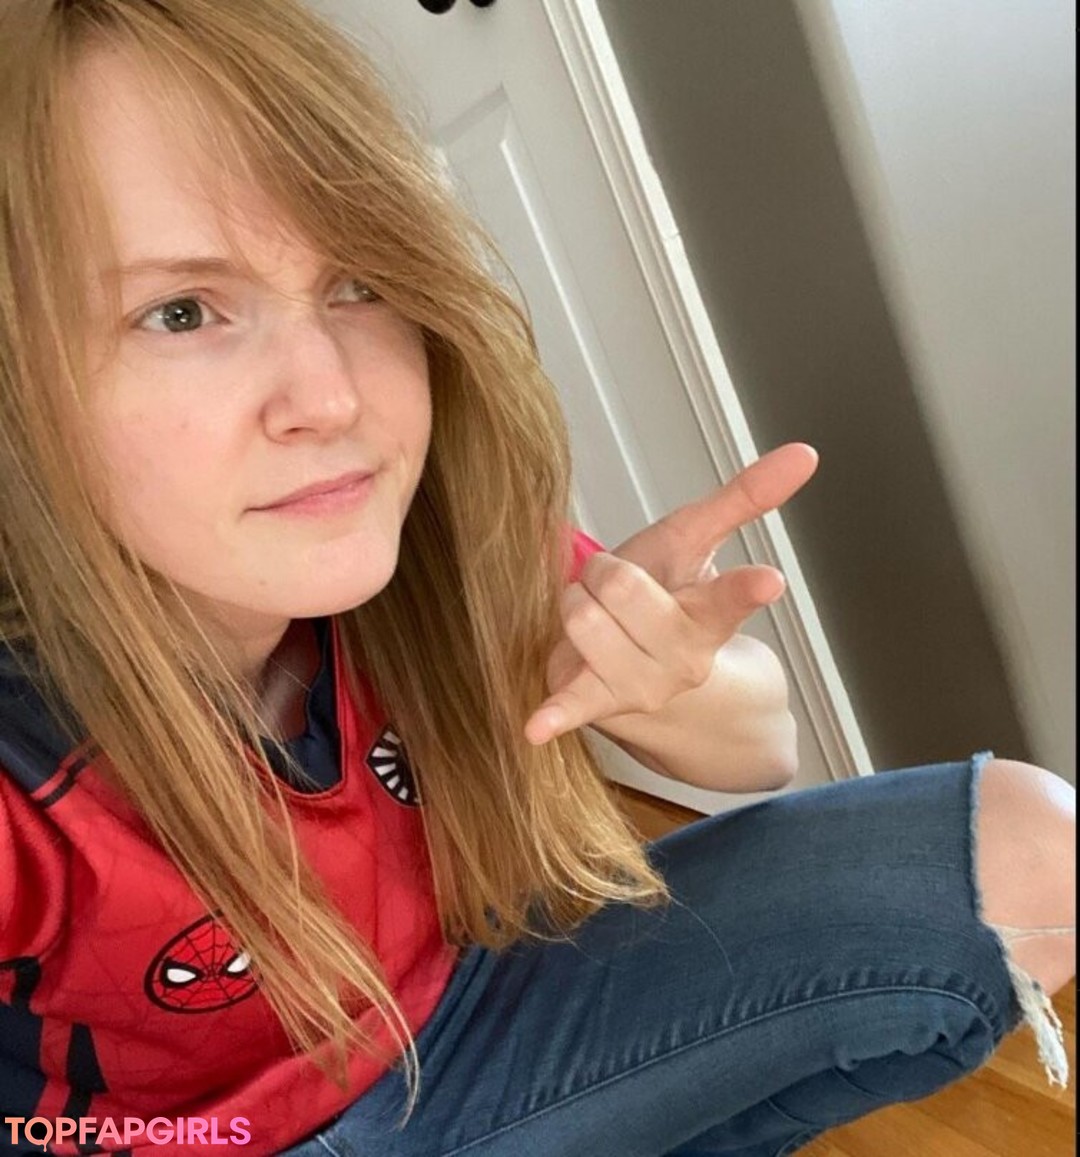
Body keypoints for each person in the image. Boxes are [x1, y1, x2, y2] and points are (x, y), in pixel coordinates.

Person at [0, 2, 1073, 1155]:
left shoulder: (436, 539)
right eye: (180, 312)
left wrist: (655, 674)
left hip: (467, 1025)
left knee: (1031, 843)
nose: (330, 396)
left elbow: (761, 743)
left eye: (356, 281)